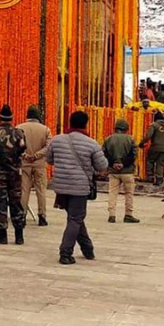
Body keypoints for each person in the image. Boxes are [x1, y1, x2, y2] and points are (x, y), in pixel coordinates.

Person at [46, 110, 107, 265]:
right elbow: (102, 166)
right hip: (79, 187)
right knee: (75, 218)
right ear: (85, 124)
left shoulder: (56, 140)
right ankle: (65, 253)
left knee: (75, 218)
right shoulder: (91, 144)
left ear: (70, 122)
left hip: (60, 186)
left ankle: (88, 249)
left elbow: (49, 159)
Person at [0, 104, 28, 245]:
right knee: (16, 201)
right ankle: (19, 235)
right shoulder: (19, 133)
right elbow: (23, 148)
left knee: (1, 201)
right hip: (15, 173)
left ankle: (2, 235)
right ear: (11, 118)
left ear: (0, 117)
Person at [17, 106, 51, 226]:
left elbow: (16, 145)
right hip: (40, 164)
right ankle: (42, 216)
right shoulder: (45, 129)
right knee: (41, 190)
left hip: (24, 163)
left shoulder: (19, 128)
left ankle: (22, 215)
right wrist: (37, 155)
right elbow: (48, 147)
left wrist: (25, 155)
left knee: (24, 190)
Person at [102, 119, 139, 224]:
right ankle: (128, 214)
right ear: (126, 129)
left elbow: (104, 154)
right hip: (127, 171)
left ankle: (112, 215)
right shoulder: (130, 139)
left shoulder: (108, 139)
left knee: (112, 193)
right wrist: (124, 164)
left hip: (113, 171)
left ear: (115, 128)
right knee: (129, 193)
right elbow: (133, 155)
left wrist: (113, 163)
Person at [140, 111, 164, 187]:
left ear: (155, 118)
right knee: (160, 164)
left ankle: (150, 177)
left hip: (154, 147)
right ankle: (159, 179)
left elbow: (148, 136)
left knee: (150, 161)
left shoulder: (154, 125)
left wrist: (141, 143)